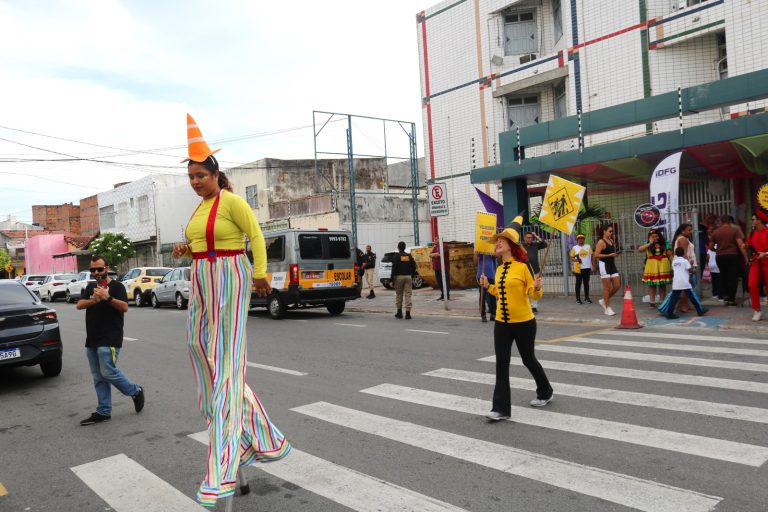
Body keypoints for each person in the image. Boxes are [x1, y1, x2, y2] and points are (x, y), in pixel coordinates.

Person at [172, 114, 290, 507]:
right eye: (191, 177)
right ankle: (257, 430)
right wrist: (185, 249)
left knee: (226, 365)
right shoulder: (200, 209)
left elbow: (255, 236)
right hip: (201, 276)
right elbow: (199, 243)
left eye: (200, 176)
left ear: (215, 174)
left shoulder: (232, 202)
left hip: (229, 275)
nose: (195, 182)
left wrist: (260, 274)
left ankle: (221, 467)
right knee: (195, 345)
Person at [479, 218, 553, 421]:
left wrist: (537, 286)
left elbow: (533, 294)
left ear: (511, 245)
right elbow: (499, 292)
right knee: (501, 363)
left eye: (501, 241)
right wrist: (488, 286)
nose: (497, 243)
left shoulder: (522, 267)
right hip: (502, 323)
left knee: (528, 359)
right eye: (497, 241)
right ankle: (501, 408)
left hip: (524, 323)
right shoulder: (499, 269)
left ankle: (545, 391)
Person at [76, 255, 144, 426]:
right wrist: (94, 300)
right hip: (92, 338)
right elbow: (79, 305)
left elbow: (125, 307)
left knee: (107, 372)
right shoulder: (90, 287)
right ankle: (104, 411)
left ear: (107, 268)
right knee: (98, 377)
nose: (96, 273)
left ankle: (135, 391)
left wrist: (107, 297)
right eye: (93, 270)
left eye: (99, 269)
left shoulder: (117, 287)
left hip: (110, 338)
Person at [658, 247, 708, 319]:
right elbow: (690, 270)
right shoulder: (685, 261)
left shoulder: (674, 262)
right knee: (692, 296)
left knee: (674, 299)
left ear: (676, 253)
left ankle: (670, 312)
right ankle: (700, 310)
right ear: (683, 253)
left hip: (676, 282)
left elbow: (674, 269)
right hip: (685, 282)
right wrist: (691, 264)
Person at [711, 214, 748, 307]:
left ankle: (726, 297)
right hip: (732, 256)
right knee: (732, 278)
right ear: (730, 222)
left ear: (721, 222)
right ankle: (731, 300)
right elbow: (740, 245)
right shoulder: (735, 230)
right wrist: (746, 258)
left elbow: (711, 246)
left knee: (723, 276)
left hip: (720, 257)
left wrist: (717, 250)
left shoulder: (715, 232)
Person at [638, 229, 672, 307]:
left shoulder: (665, 243)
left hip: (663, 266)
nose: (655, 238)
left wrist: (672, 264)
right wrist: (650, 243)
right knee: (652, 284)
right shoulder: (647, 244)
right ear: (649, 237)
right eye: (653, 237)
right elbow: (640, 249)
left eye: (656, 236)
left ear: (659, 236)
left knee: (662, 284)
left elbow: (669, 255)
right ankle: (652, 302)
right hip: (652, 266)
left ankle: (662, 302)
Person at [593, 224, 621, 316]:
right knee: (607, 287)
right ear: (604, 231)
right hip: (604, 264)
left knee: (617, 285)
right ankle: (607, 307)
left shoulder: (611, 240)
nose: (611, 233)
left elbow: (611, 252)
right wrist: (608, 255)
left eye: (612, 231)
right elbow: (596, 255)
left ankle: (604, 300)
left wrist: (615, 254)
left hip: (612, 264)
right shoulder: (601, 242)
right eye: (610, 231)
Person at [747, 211, 768, 322]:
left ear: (759, 220)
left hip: (767, 262)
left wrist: (766, 254)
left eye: (753, 219)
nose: (752, 221)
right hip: (755, 262)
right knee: (752, 285)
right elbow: (748, 246)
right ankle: (757, 310)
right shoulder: (752, 233)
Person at [671, 223, 697, 313]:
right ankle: (683, 306)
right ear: (683, 231)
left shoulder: (681, 238)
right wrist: (689, 267)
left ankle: (685, 305)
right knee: (685, 286)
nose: (691, 232)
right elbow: (684, 254)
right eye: (689, 230)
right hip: (684, 266)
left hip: (682, 265)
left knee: (686, 286)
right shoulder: (682, 239)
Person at [522, 231, 547, 312]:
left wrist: (536, 236)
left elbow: (545, 244)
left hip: (535, 271)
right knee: (525, 289)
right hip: (524, 271)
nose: (530, 239)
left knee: (535, 288)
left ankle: (534, 306)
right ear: (524, 238)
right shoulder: (521, 246)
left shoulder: (535, 245)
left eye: (531, 238)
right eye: (528, 237)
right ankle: (526, 305)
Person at [391, 241, 416, 319]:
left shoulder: (396, 256)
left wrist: (392, 279)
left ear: (398, 248)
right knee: (408, 294)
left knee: (399, 294)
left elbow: (394, 268)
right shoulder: (409, 256)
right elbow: (414, 265)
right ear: (405, 247)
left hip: (399, 277)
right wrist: (412, 275)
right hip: (408, 277)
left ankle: (399, 313)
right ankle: (408, 314)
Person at [570, 233, 592, 304]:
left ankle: (587, 298)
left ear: (584, 239)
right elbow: (571, 257)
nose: (581, 240)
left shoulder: (588, 246)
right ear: (577, 240)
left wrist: (593, 265)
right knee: (578, 283)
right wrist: (576, 260)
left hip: (587, 267)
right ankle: (578, 298)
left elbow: (592, 256)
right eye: (579, 239)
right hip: (578, 268)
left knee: (586, 283)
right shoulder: (574, 248)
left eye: (582, 238)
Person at [475, 251, 497, 322]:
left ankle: (493, 314)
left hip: (491, 274)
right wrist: (476, 252)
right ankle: (483, 314)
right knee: (483, 295)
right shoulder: (479, 248)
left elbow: (496, 256)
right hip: (482, 274)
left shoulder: (491, 247)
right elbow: (475, 260)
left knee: (492, 294)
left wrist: (492, 253)